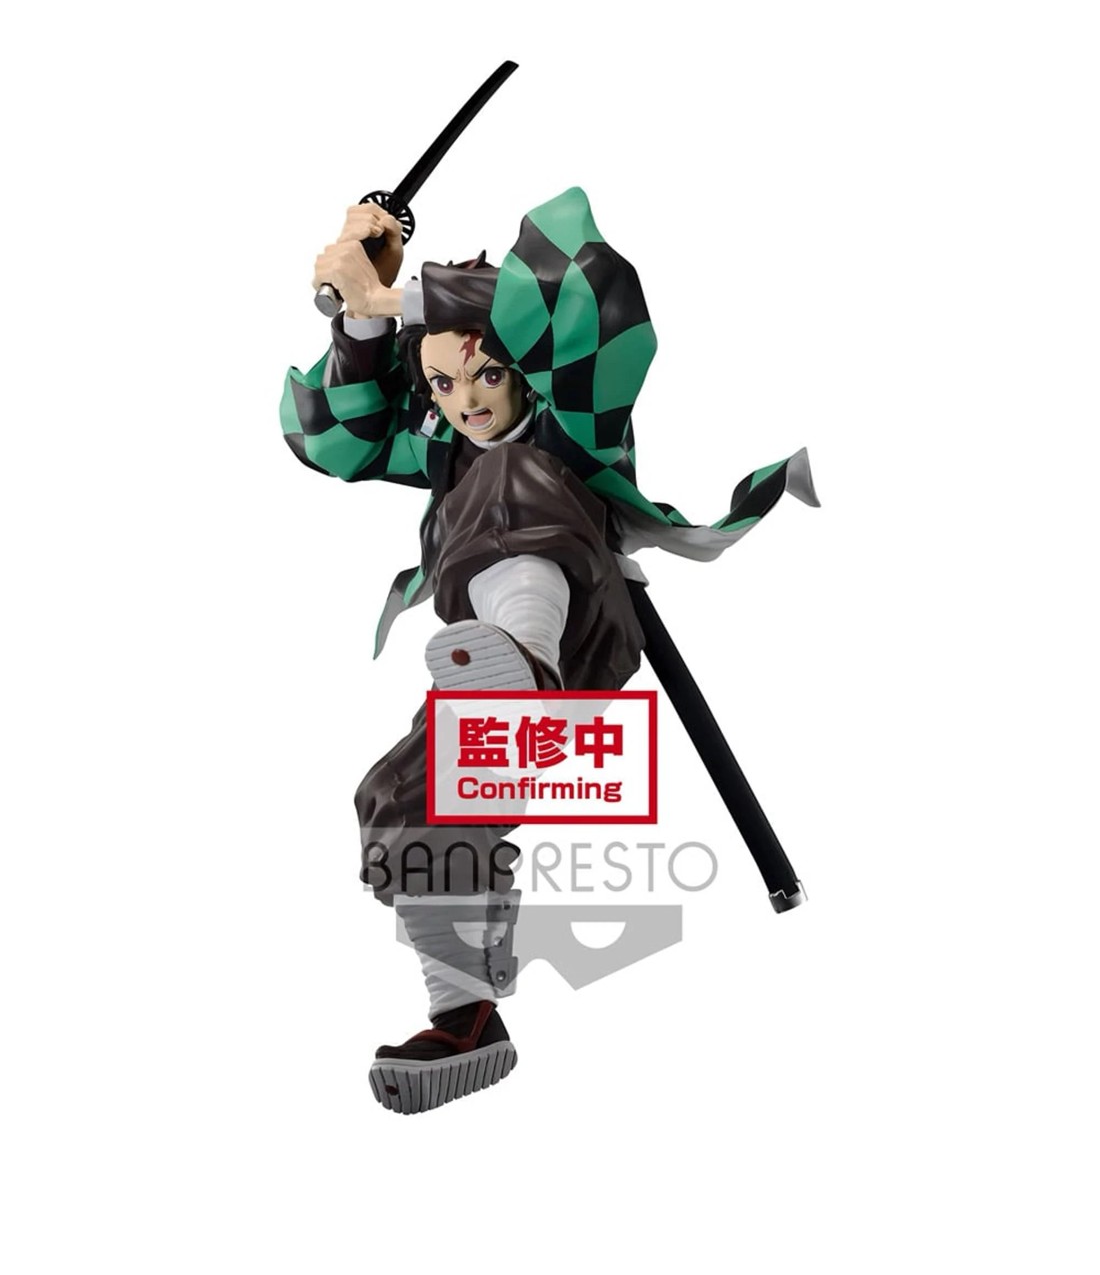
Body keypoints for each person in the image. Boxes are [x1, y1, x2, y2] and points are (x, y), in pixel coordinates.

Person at [282, 187, 818, 1113]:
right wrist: (365, 326)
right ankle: (466, 1019)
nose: (465, 404)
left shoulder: (575, 418)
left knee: (508, 478)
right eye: (441, 386)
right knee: (401, 803)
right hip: (484, 673)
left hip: (578, 632)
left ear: (523, 368)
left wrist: (399, 296)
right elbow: (338, 441)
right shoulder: (444, 445)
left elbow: (588, 294)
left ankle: (520, 663)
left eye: (486, 376)